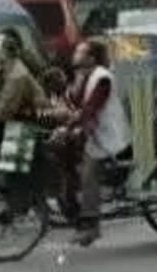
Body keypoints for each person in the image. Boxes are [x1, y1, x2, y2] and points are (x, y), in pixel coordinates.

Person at [56, 39, 130, 247]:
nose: (75, 55)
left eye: (80, 52)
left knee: (89, 173)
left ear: (91, 58)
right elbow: (72, 101)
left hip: (109, 137)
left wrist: (69, 125)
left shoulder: (102, 78)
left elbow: (90, 108)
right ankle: (75, 210)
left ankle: (91, 225)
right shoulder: (85, 76)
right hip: (94, 134)